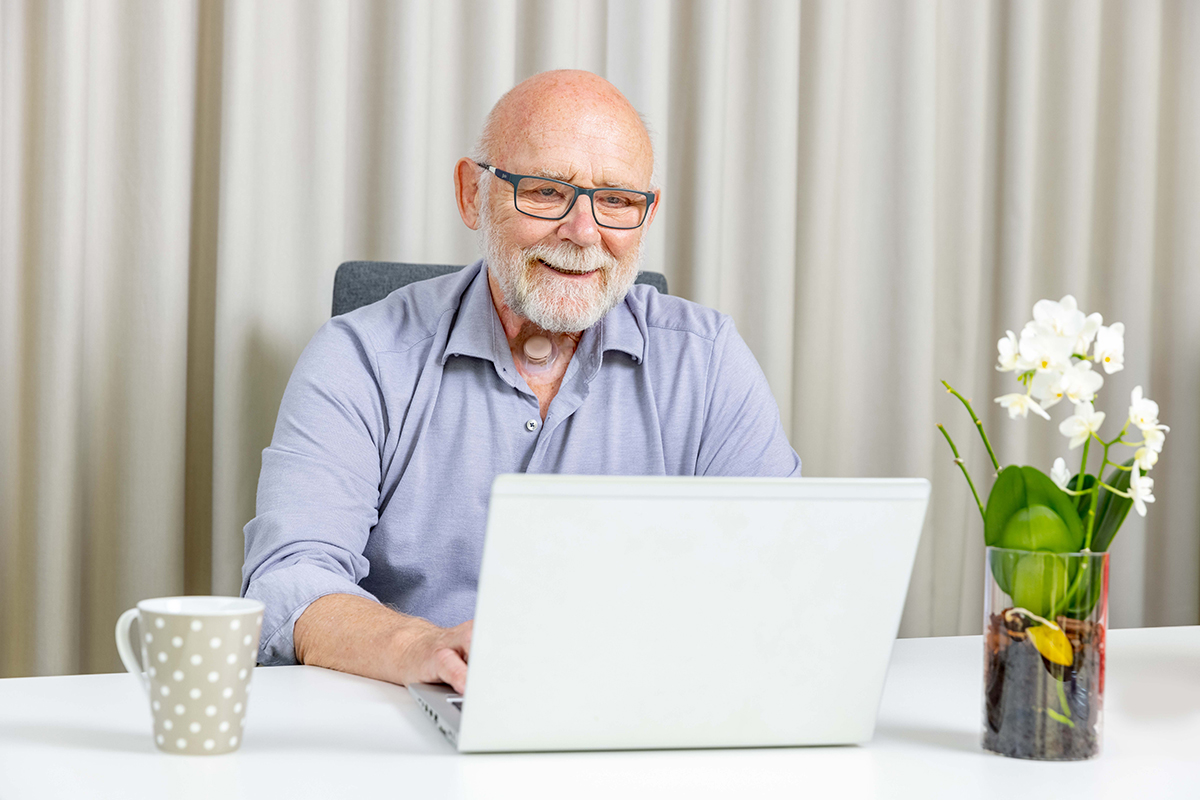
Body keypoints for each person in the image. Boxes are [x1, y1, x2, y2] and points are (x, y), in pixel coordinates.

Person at [241, 70, 801, 695]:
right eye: (544, 191)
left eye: (616, 201)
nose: (584, 232)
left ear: (647, 214)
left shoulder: (708, 361)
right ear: (471, 194)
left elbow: (784, 572)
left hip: (643, 719)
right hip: (411, 722)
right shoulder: (361, 357)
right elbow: (289, 582)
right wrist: (422, 648)